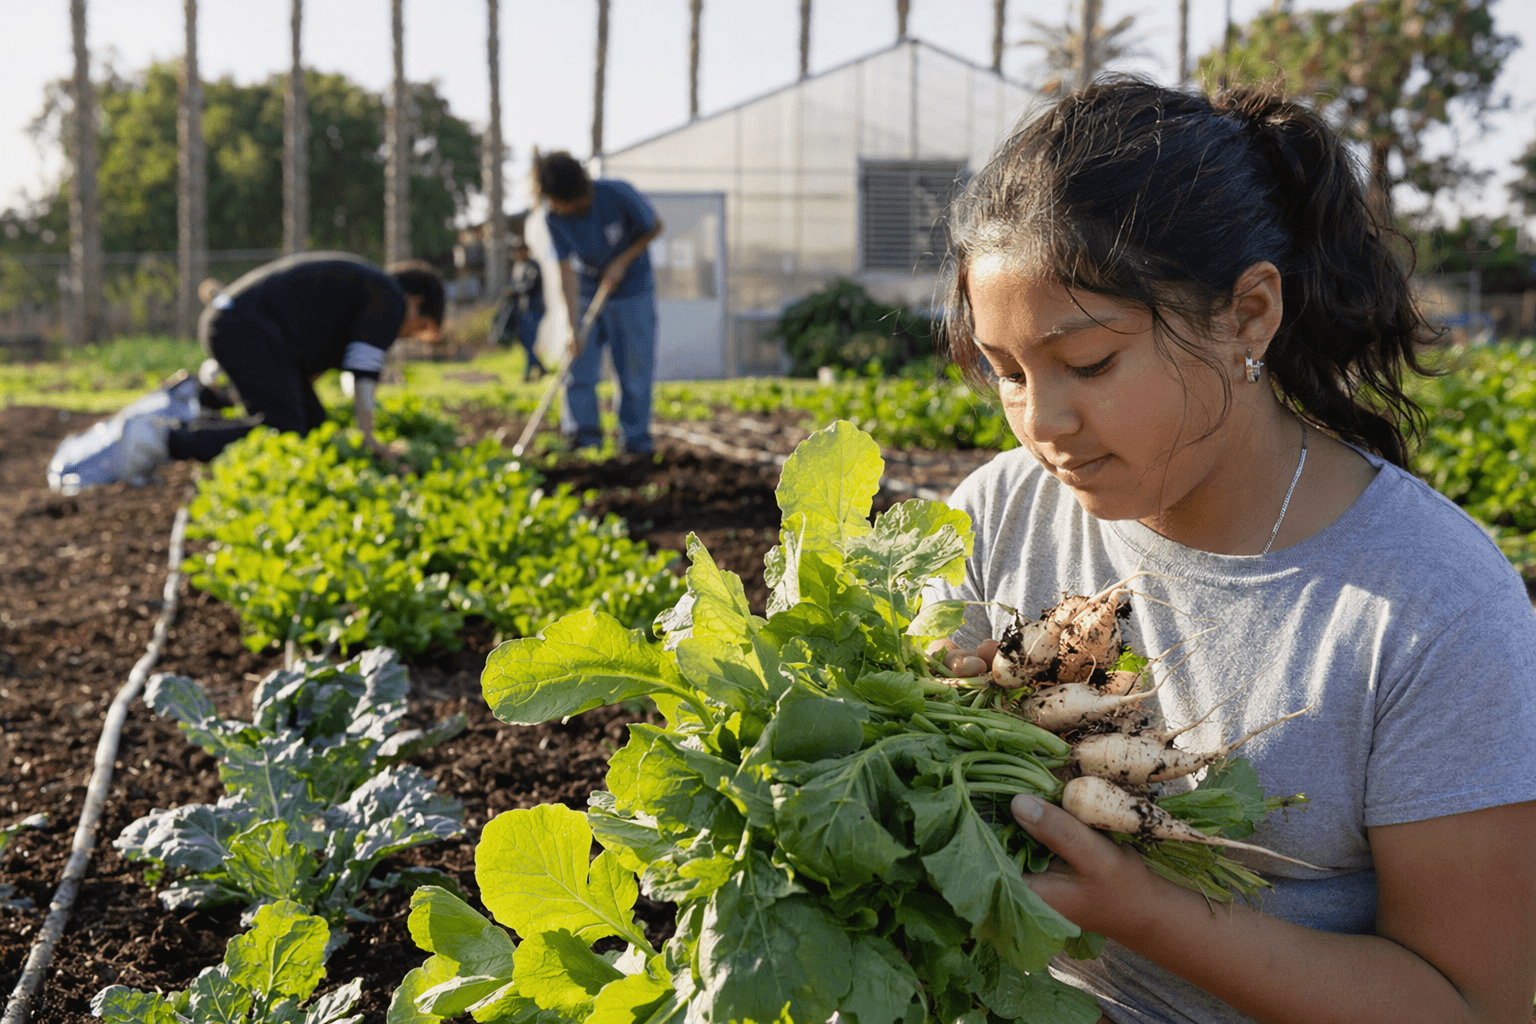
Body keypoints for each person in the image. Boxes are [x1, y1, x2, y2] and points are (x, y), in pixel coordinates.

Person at [927, 81, 1536, 1023]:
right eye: (1006, 373)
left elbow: (1472, 1004)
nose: (1040, 425)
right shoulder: (1000, 514)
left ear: (1249, 314)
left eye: (1089, 364)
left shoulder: (1435, 609)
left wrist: (1149, 916)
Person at [115, 251, 444, 479]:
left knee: (313, 428)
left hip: (247, 330)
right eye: (421, 328)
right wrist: (370, 438)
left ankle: (201, 401)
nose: (409, 336)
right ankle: (163, 439)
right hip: (244, 330)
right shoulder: (390, 299)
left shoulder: (371, 288)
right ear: (415, 302)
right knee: (284, 429)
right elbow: (363, 370)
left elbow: (319, 340)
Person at [537, 151, 663, 453]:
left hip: (633, 291)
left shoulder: (616, 194)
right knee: (577, 364)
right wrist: (571, 326)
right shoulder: (553, 217)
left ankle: (635, 442)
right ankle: (583, 438)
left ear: (577, 192)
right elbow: (565, 271)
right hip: (587, 291)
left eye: (559, 199)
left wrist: (622, 261)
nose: (554, 206)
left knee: (634, 370)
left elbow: (654, 226)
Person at [495, 239, 548, 382]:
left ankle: (528, 374)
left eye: (519, 251)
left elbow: (528, 286)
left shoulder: (532, 265)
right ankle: (541, 368)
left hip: (534, 309)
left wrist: (514, 291)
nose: (517, 254)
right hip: (522, 310)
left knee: (530, 341)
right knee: (524, 341)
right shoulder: (518, 266)